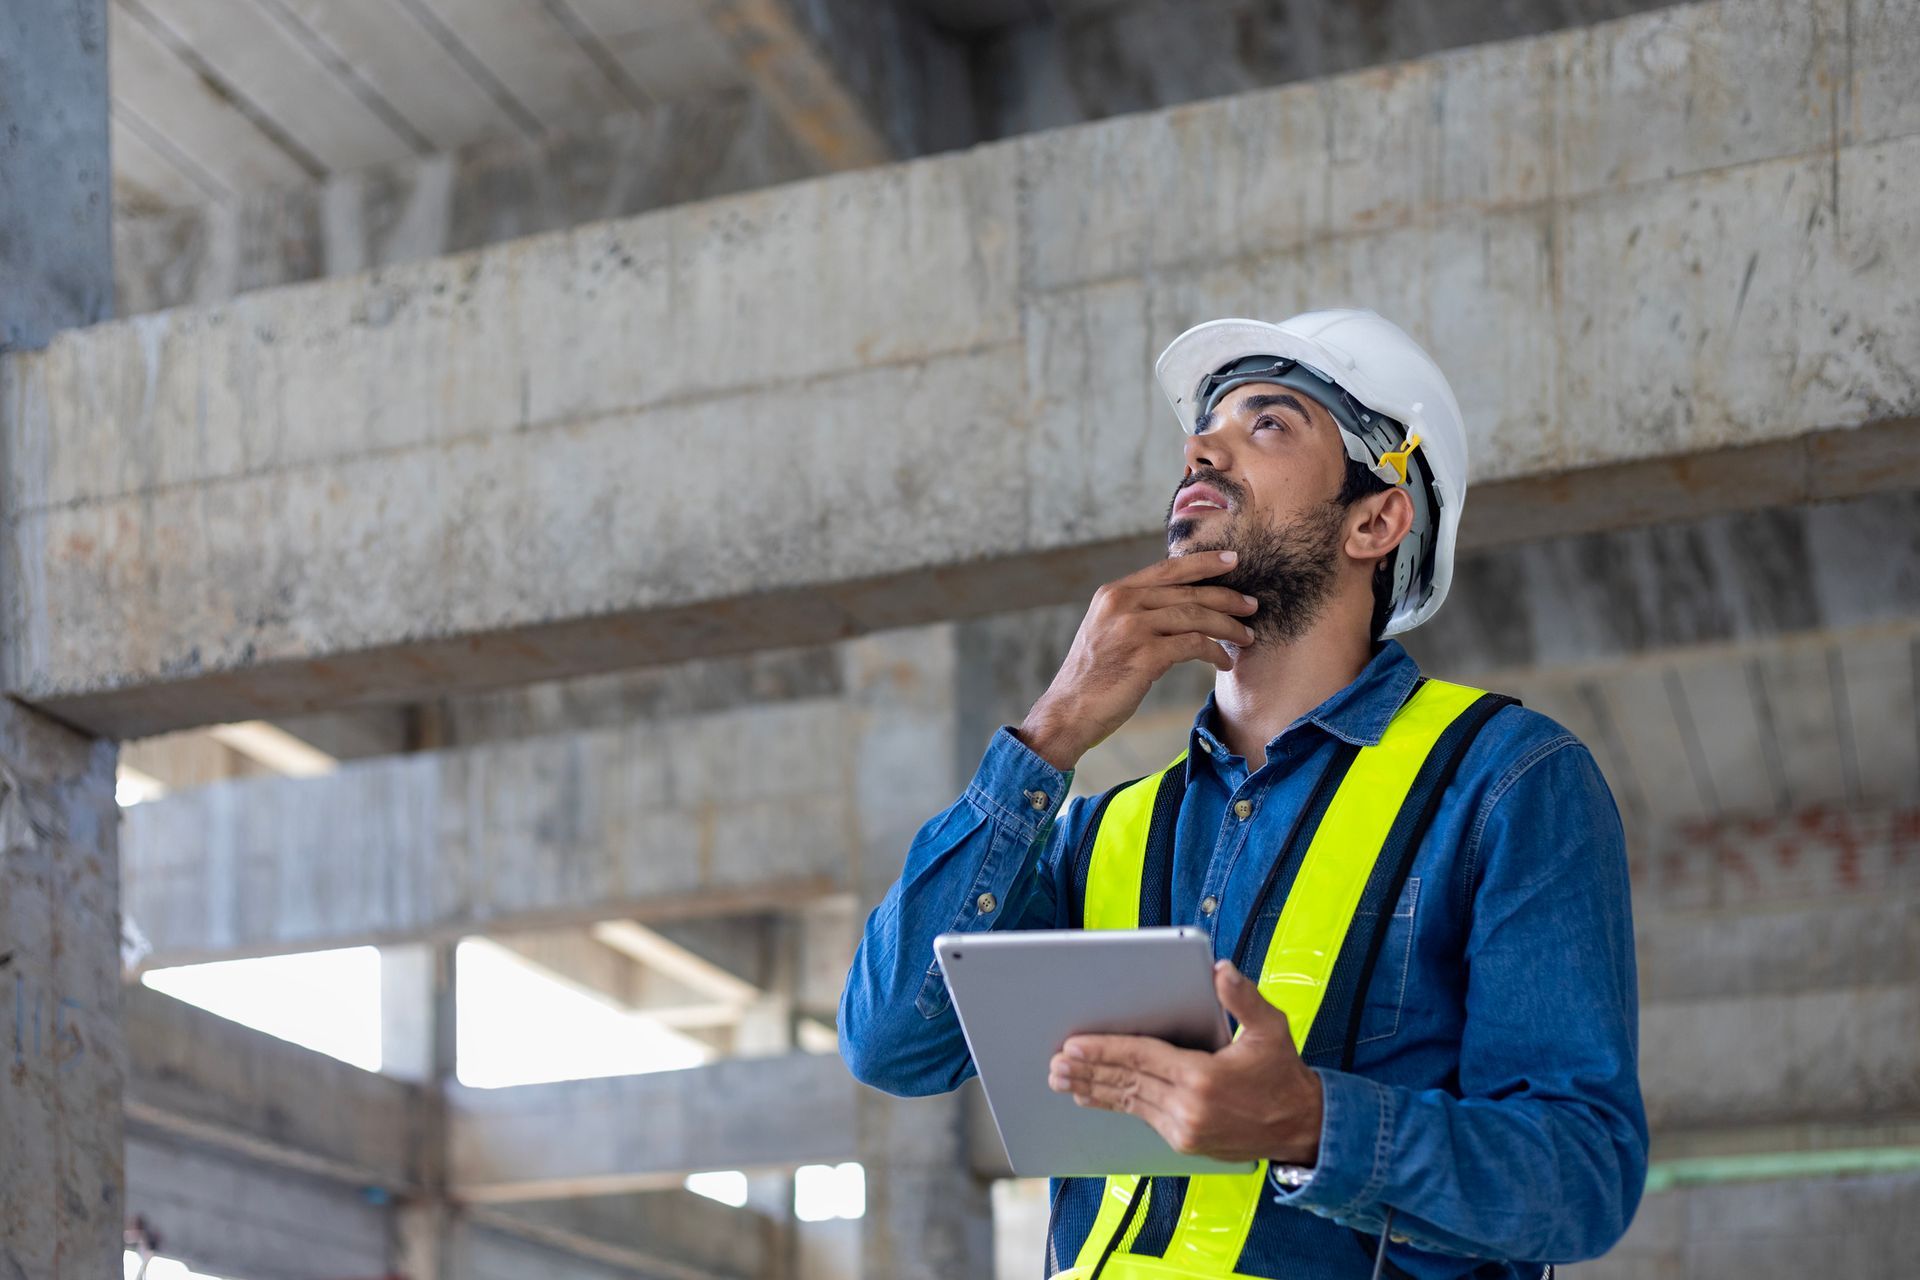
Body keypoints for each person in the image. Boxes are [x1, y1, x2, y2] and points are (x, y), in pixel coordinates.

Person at [839, 310, 1647, 1279]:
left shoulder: (1503, 780)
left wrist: (1313, 1122)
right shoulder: (1102, 831)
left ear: (1375, 518)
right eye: (1204, 429)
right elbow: (892, 1045)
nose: (1201, 446)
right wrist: (1049, 732)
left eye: (1267, 423)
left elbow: (1582, 1177)